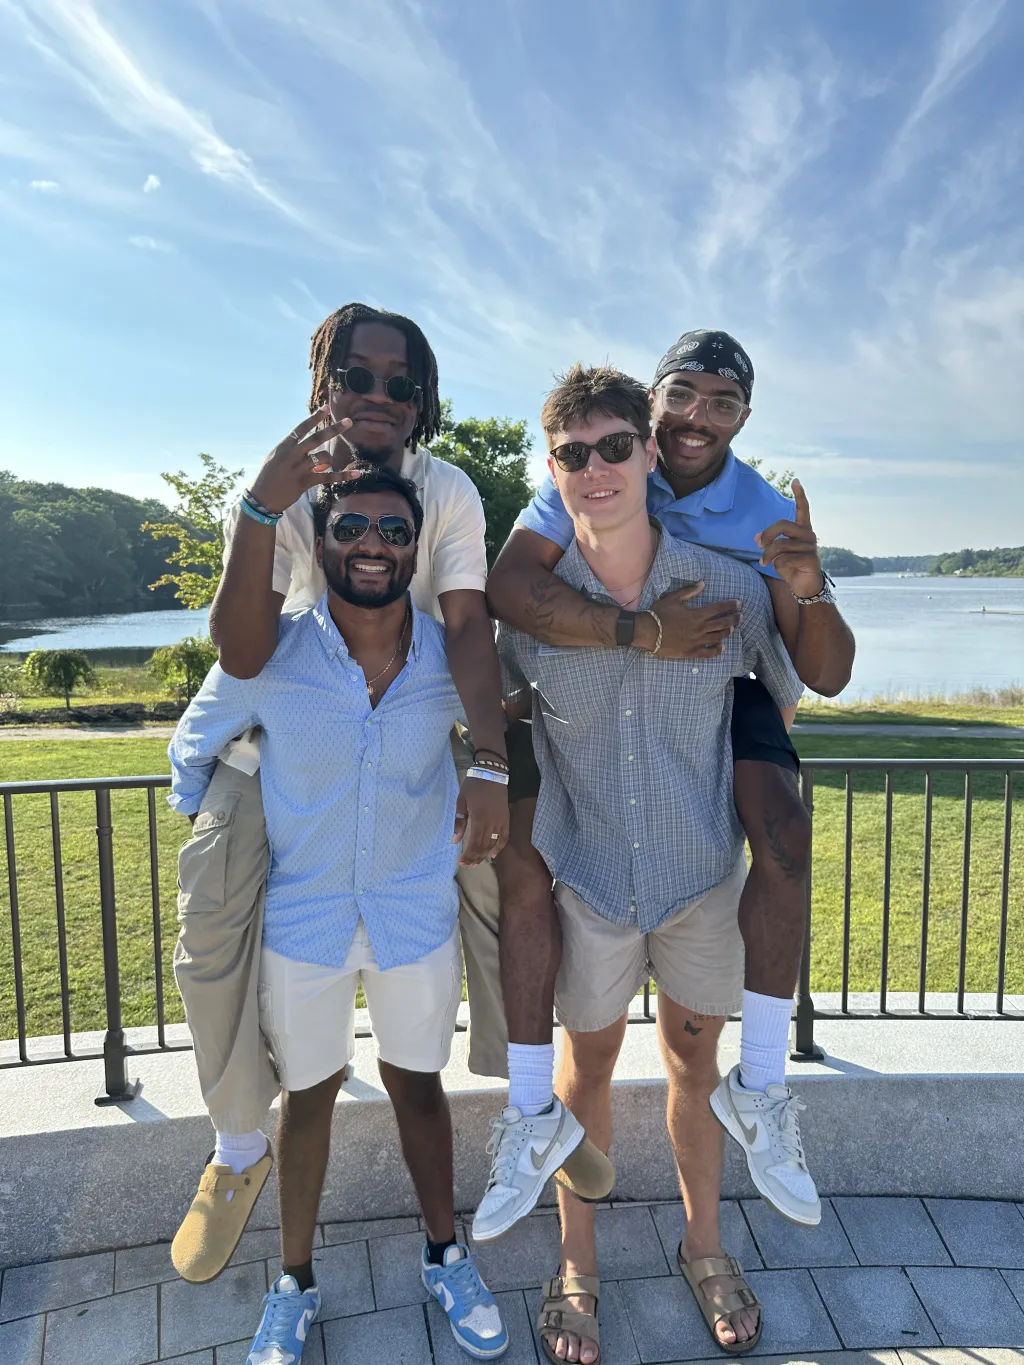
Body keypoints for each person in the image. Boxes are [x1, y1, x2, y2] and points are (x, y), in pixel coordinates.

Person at [171, 302, 607, 1287]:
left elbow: (464, 626)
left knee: (515, 886)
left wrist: (489, 764)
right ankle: (240, 1146)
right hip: (294, 716)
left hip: (421, 710)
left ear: (422, 401)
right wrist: (256, 503)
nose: (375, 397)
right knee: (211, 930)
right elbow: (244, 650)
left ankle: (533, 1107)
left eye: (397, 383)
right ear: (324, 384)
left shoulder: (445, 488)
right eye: (354, 377)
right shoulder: (289, 484)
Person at [480, 331, 855, 1238]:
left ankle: (715, 1224)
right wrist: (636, 633)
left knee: (784, 840)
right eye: (577, 454)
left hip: (699, 837)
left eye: (720, 404)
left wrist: (806, 589)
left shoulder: (748, 543)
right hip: (594, 864)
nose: (695, 419)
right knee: (584, 1053)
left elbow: (822, 671)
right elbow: (503, 601)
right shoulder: (550, 557)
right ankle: (577, 1266)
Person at [169, 466, 510, 1363]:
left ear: (417, 549)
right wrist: (224, 823)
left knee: (418, 1084)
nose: (373, 543)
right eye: (352, 525)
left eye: (395, 532)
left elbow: (498, 733)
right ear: (320, 544)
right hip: (304, 919)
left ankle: (445, 1253)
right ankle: (293, 1281)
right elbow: (191, 743)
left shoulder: (450, 658)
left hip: (412, 915)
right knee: (308, 1097)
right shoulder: (268, 656)